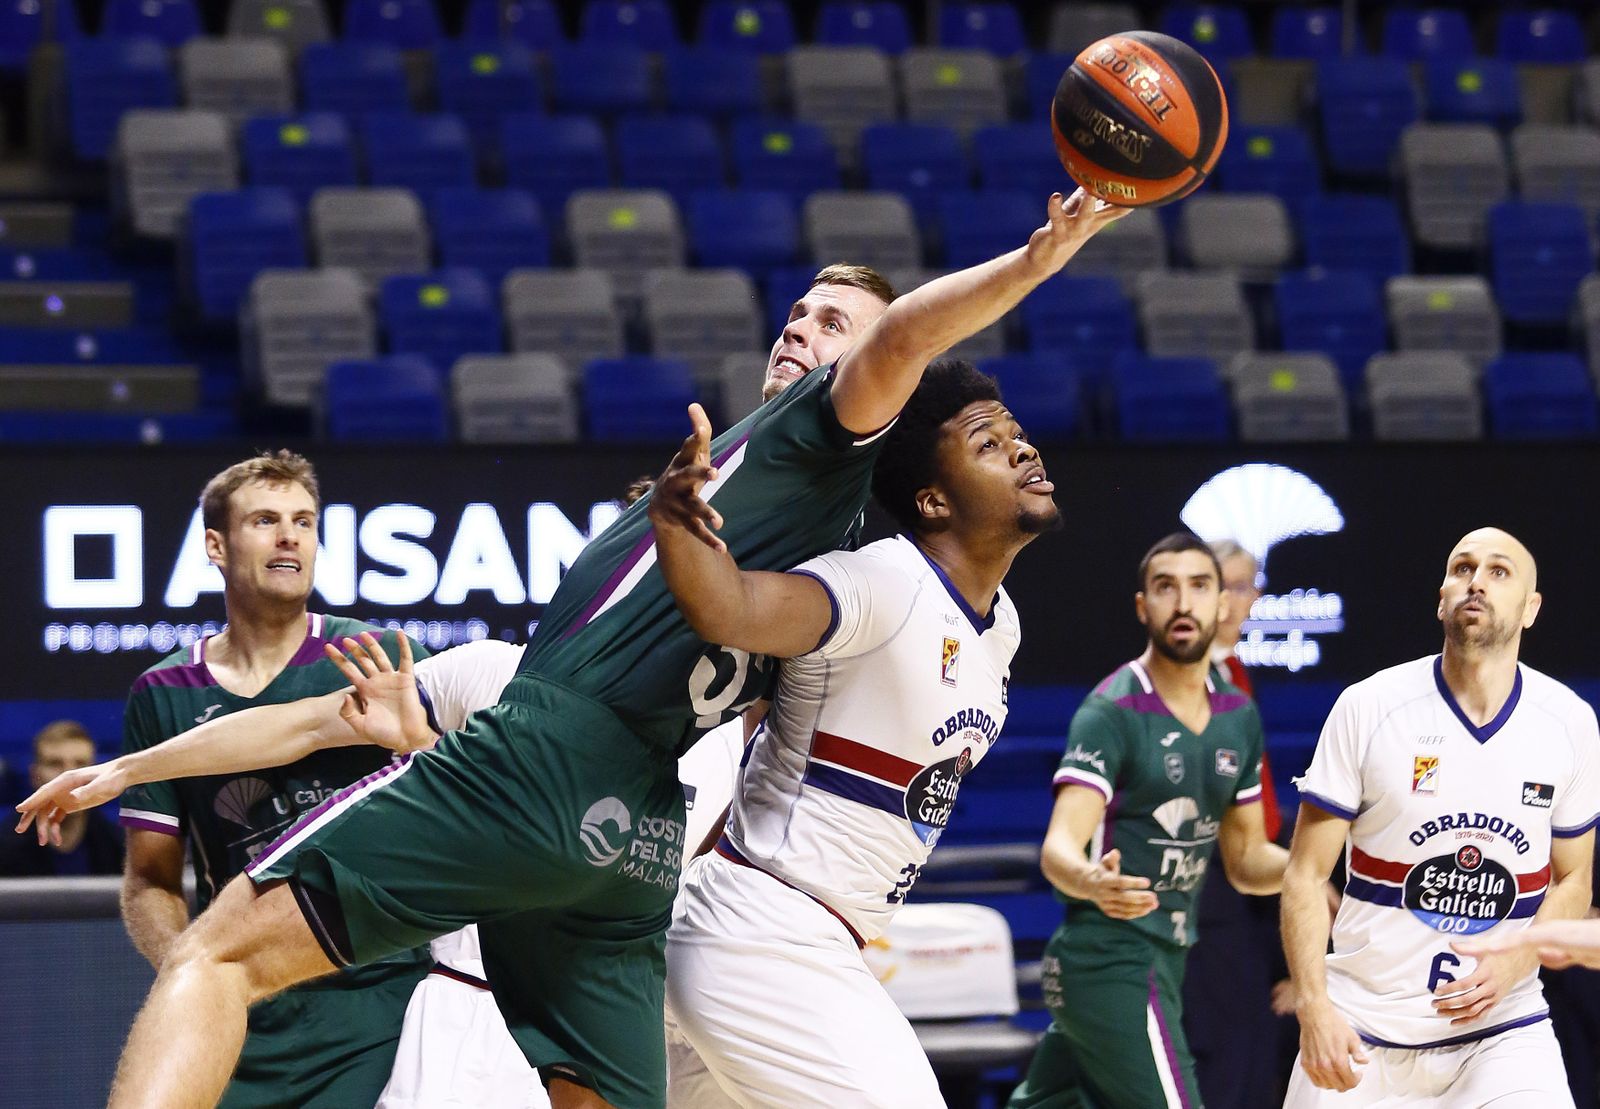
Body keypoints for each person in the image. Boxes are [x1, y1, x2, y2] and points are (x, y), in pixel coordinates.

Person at [97, 191, 1129, 1109]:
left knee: (212, 952)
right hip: (637, 834)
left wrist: (1034, 260)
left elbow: (904, 340)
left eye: (832, 325)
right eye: (797, 312)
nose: (798, 329)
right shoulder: (841, 536)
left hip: (557, 755)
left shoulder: (821, 445)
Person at [650, 360, 1044, 1106]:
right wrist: (675, 521)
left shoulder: (1003, 628)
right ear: (931, 499)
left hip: (793, 934)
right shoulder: (881, 581)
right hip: (763, 932)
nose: (1024, 451)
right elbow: (732, 607)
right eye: (989, 444)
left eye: (1017, 436)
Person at [112, 450, 432, 1108]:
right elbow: (150, 878)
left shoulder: (378, 658)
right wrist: (195, 978)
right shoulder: (164, 691)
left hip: (378, 1004)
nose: (290, 536)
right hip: (244, 1007)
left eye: (304, 521)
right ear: (216, 545)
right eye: (265, 519)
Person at [1281, 527, 1599, 1108]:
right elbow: (1304, 875)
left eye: (1499, 571)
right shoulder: (1368, 705)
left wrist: (1517, 961)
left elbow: (1574, 878)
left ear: (1531, 610)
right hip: (1363, 1023)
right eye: (1462, 568)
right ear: (1441, 598)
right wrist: (1314, 1006)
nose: (1476, 580)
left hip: (1502, 1028)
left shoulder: (1569, 722)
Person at [1007, 532, 1289, 1109]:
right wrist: (1089, 880)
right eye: (1165, 588)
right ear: (1143, 607)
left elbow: (1247, 863)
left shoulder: (1238, 714)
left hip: (1162, 960)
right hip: (1113, 956)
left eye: (1199, 586)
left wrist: (1320, 866)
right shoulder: (1112, 710)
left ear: (1224, 605)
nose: (1183, 603)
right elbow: (1059, 844)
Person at [1182, 539, 1295, 1109]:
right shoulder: (1190, 679)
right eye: (1233, 584)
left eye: (1249, 585)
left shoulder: (1234, 672)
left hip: (1245, 879)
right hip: (1209, 886)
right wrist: (1303, 877)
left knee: (1251, 1046)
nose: (1245, 599)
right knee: (1223, 1052)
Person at [0, 721, 122, 876]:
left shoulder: (120, 847)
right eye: (55, 764)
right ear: (34, 775)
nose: (69, 776)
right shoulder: (4, 847)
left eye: (81, 764)